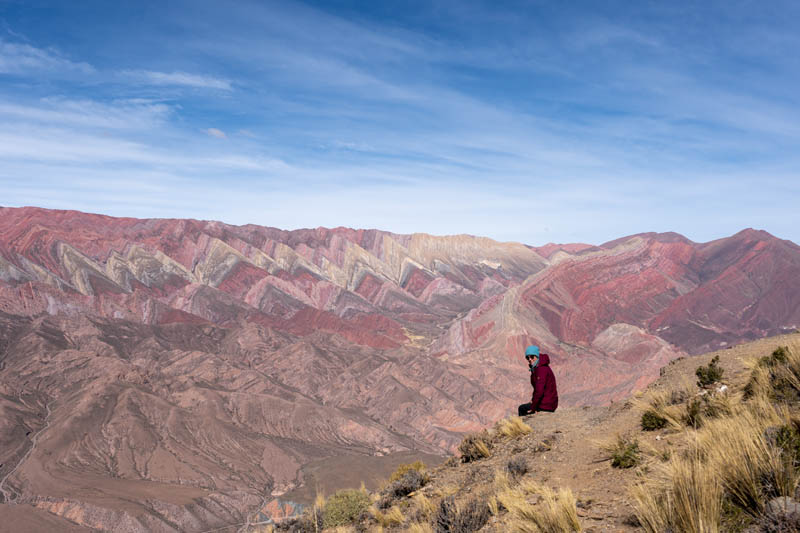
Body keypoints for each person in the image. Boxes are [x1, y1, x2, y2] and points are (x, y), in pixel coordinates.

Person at [518, 345, 558, 416]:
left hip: (546, 404)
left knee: (521, 409)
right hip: (547, 402)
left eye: (532, 357)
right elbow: (537, 389)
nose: (530, 359)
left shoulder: (541, 369)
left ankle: (522, 427)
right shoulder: (538, 367)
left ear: (537, 356)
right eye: (527, 357)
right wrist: (533, 401)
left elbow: (539, 391)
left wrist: (533, 407)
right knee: (523, 408)